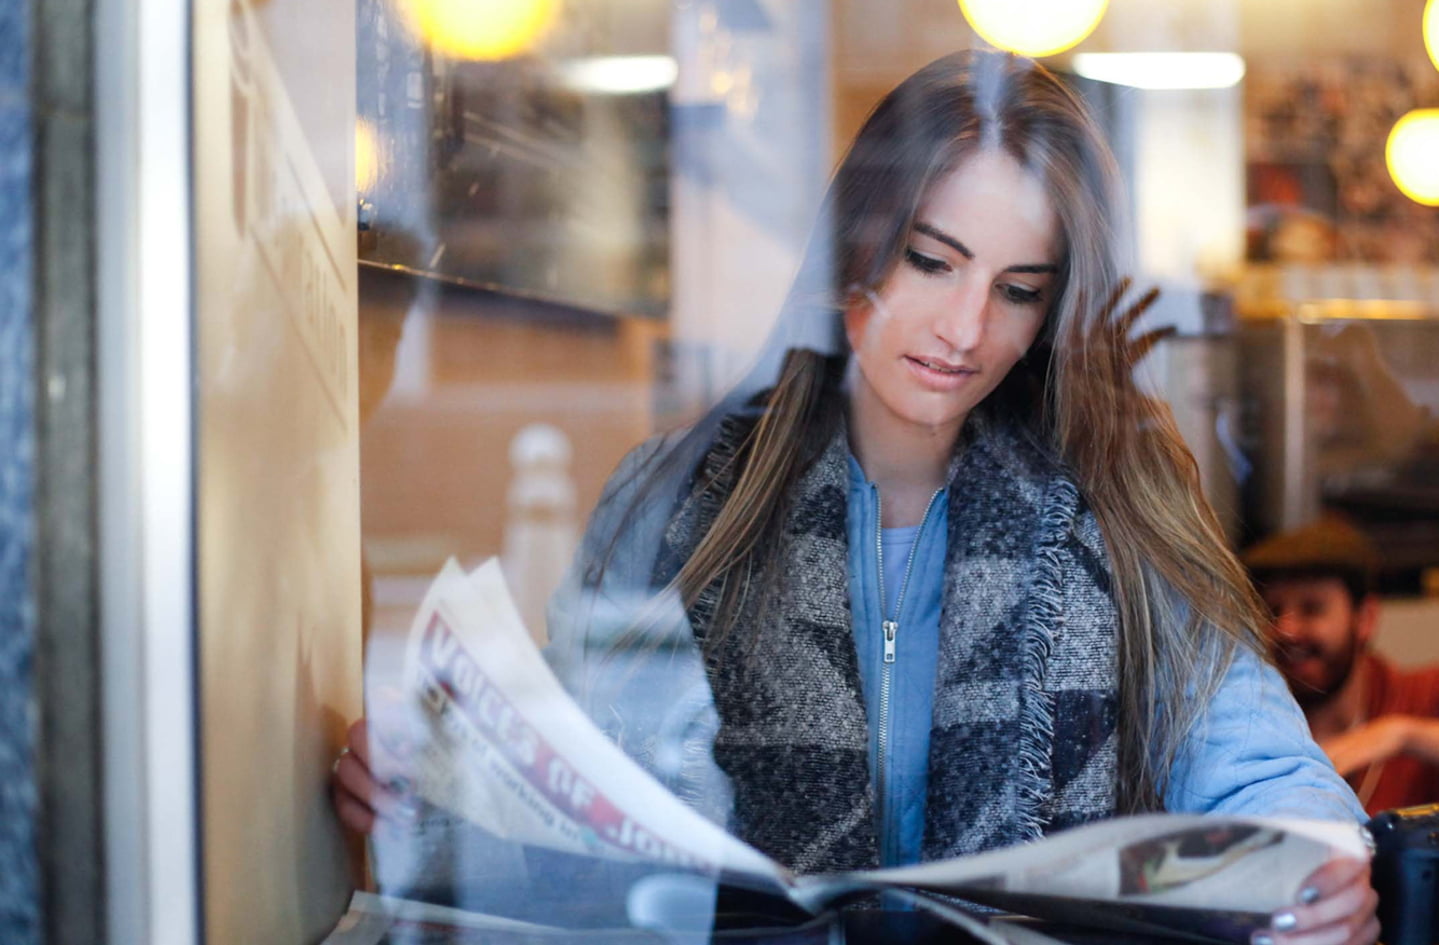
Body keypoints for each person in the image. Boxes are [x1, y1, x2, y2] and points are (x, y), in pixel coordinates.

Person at [334, 51, 1378, 944]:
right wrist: (430, 797)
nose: (965, 329)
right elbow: (569, 830)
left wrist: (1317, 869)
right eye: (930, 262)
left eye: (1017, 290)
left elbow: (1261, 770)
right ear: (854, 251)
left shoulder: (1117, 513)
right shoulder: (676, 503)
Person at [1244, 517, 1439, 815]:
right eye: (1273, 611)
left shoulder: (1423, 696)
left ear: (1365, 619)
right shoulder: (1249, 722)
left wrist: (1402, 735)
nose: (1286, 629)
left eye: (1312, 608)